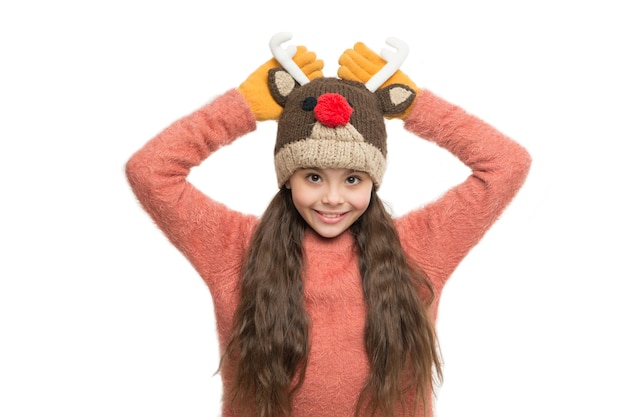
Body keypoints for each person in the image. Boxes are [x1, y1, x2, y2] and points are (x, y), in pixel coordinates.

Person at [126, 36, 531, 417]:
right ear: (287, 178)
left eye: (353, 179)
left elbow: (506, 164)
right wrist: (240, 109)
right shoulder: (235, 247)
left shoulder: (420, 246)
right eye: (314, 177)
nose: (333, 198)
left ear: (374, 181)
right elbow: (149, 171)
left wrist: (415, 106)